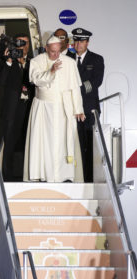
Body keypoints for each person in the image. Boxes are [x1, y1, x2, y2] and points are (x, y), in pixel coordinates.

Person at [23, 36, 85, 183]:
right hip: (43, 108)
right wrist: (51, 71)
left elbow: (75, 88)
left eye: (58, 51)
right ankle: (44, 174)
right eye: (52, 52)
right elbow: (36, 80)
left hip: (64, 108)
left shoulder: (69, 62)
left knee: (63, 143)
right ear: (46, 48)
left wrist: (78, 109)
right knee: (44, 143)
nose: (56, 55)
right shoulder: (36, 61)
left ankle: (62, 175)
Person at [0, 33, 34, 181]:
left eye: (26, 43)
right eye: (20, 43)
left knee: (29, 139)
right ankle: (7, 176)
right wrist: (8, 61)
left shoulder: (34, 62)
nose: (23, 46)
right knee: (10, 141)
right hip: (12, 108)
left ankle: (28, 174)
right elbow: (1, 81)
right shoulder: (8, 61)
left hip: (29, 107)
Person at [71, 27, 105, 182]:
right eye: (76, 41)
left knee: (90, 146)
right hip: (72, 109)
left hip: (89, 109)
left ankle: (89, 180)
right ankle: (76, 178)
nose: (78, 44)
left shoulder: (97, 59)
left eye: (82, 41)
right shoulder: (67, 59)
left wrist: (75, 88)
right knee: (74, 145)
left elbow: (95, 82)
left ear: (87, 42)